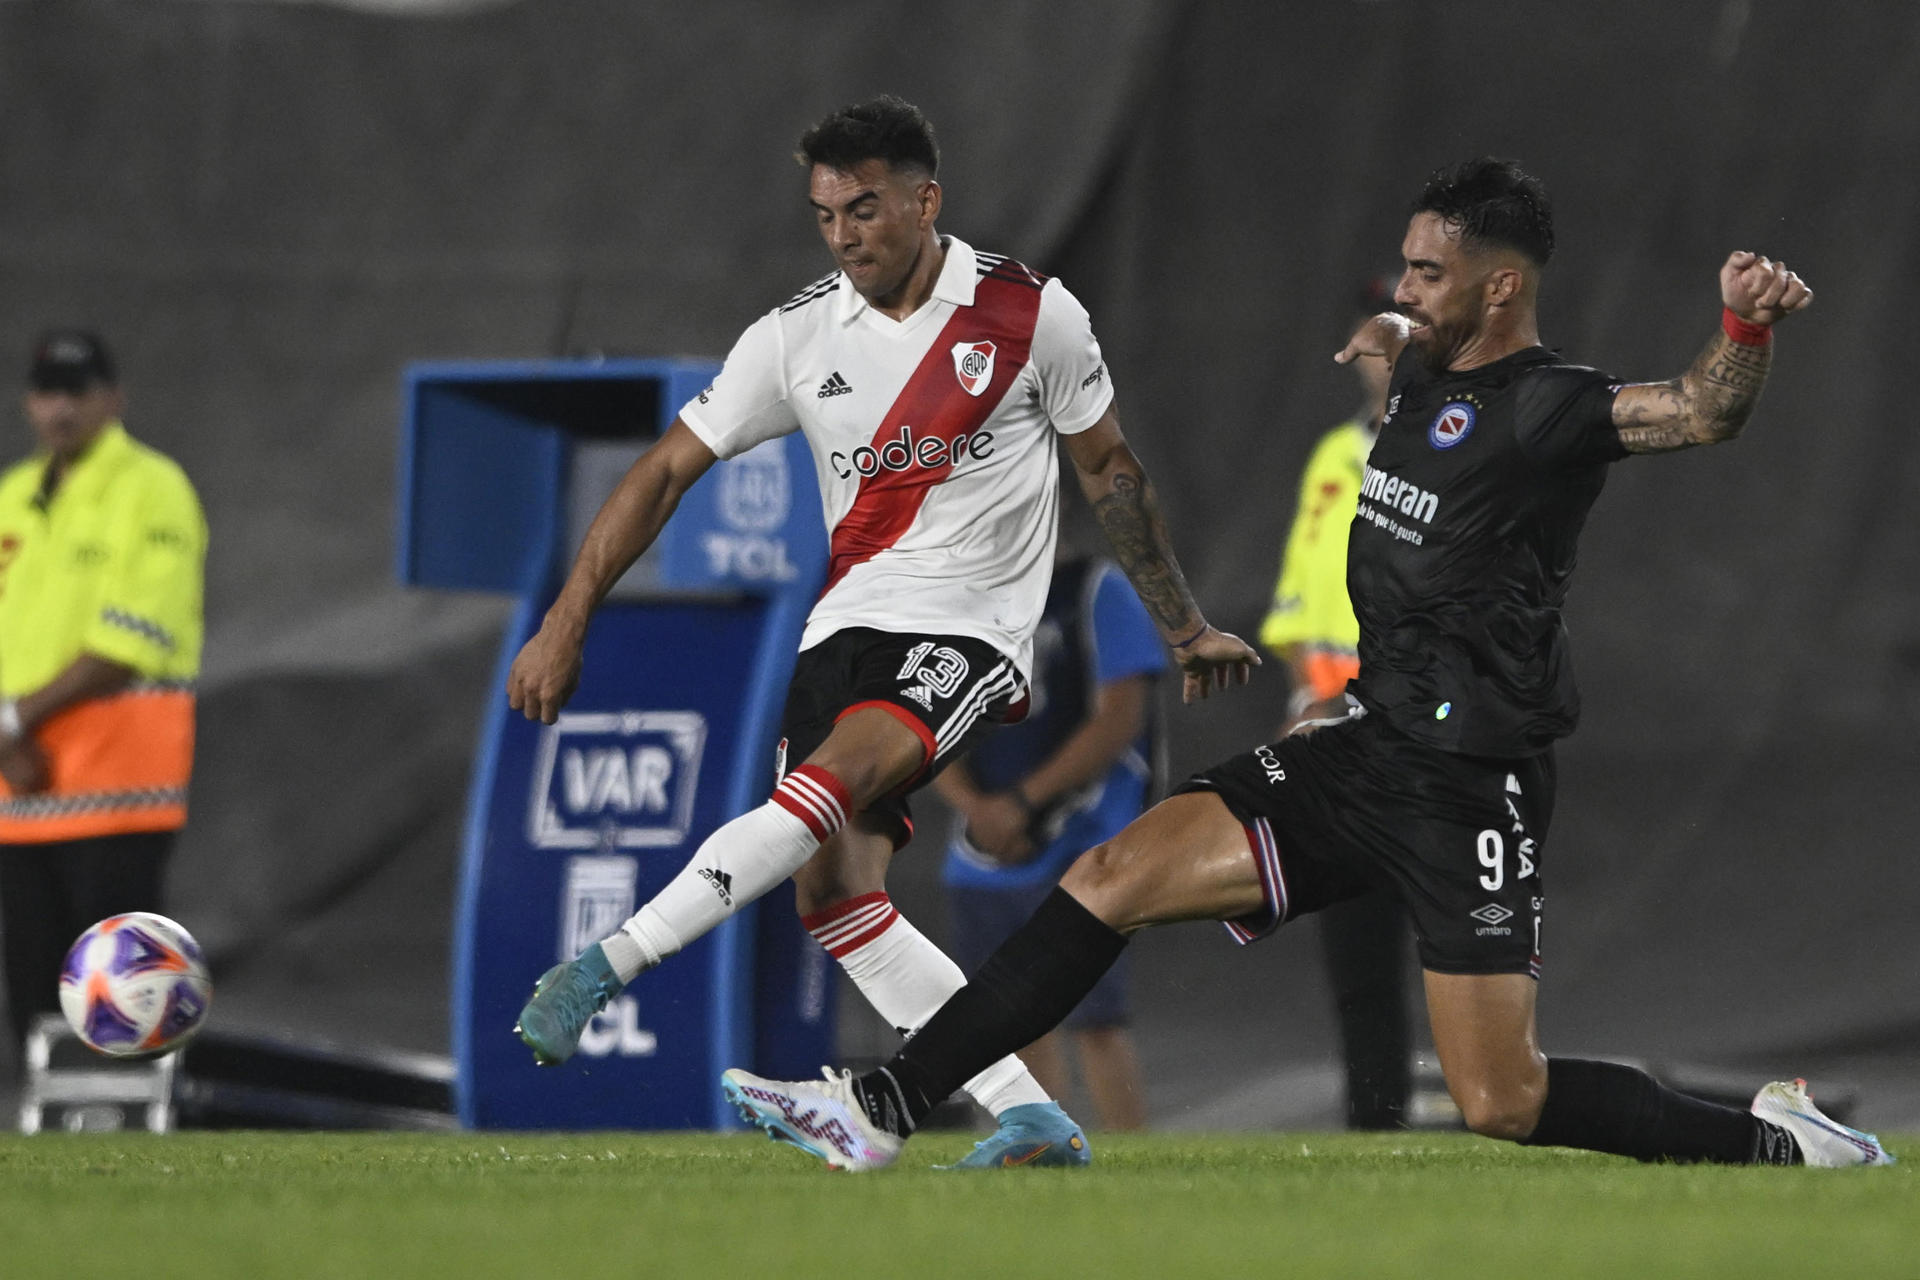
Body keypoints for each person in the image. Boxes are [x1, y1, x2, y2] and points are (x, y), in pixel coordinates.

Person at [720, 158, 1897, 1172]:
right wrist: (1391, 330)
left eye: (1428, 274)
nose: (1405, 289)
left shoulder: (1552, 406)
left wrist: (1744, 325)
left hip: (1469, 781)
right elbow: (1403, 351)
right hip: (1365, 741)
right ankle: (884, 1105)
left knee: (1504, 1099)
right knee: (1109, 878)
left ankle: (1780, 1141)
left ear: (1500, 284)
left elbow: (1698, 410)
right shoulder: (1425, 368)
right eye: (1404, 267)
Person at [506, 96, 1256, 1168]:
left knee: (818, 792)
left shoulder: (1030, 314)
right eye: (827, 216)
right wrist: (567, 615)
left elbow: (1110, 470)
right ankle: (1029, 1111)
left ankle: (606, 964)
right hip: (845, 629)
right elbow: (667, 466)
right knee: (835, 893)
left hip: (969, 636)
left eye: (866, 208)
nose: (847, 235)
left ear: (924, 199)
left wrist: (1183, 625)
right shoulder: (796, 336)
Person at [0, 330, 207, 1053]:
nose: (62, 409)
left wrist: (11, 720)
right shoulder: (11, 500)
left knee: (129, 992)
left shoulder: (153, 489)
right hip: (19, 801)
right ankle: (48, 1148)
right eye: (49, 392)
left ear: (112, 399)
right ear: (30, 402)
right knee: (32, 997)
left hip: (119, 794)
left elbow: (132, 641)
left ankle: (129, 1132)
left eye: (78, 392)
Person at [935, 541, 1164, 1134]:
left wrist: (1020, 804)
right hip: (983, 853)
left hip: (1086, 845)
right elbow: (923, 715)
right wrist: (975, 808)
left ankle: (1135, 1169)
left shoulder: (1094, 589)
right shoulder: (955, 596)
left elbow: (1121, 715)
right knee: (1008, 1023)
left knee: (1098, 1021)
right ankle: (1037, 1157)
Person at [1259, 292, 1413, 1130]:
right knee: (1357, 941)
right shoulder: (1334, 457)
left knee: (1466, 940)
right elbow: (1296, 604)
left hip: (1431, 729)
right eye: (1373, 342)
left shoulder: (1452, 450)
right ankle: (1378, 1127)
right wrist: (1306, 701)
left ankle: (1510, 1097)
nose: (1381, 357)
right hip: (1340, 739)